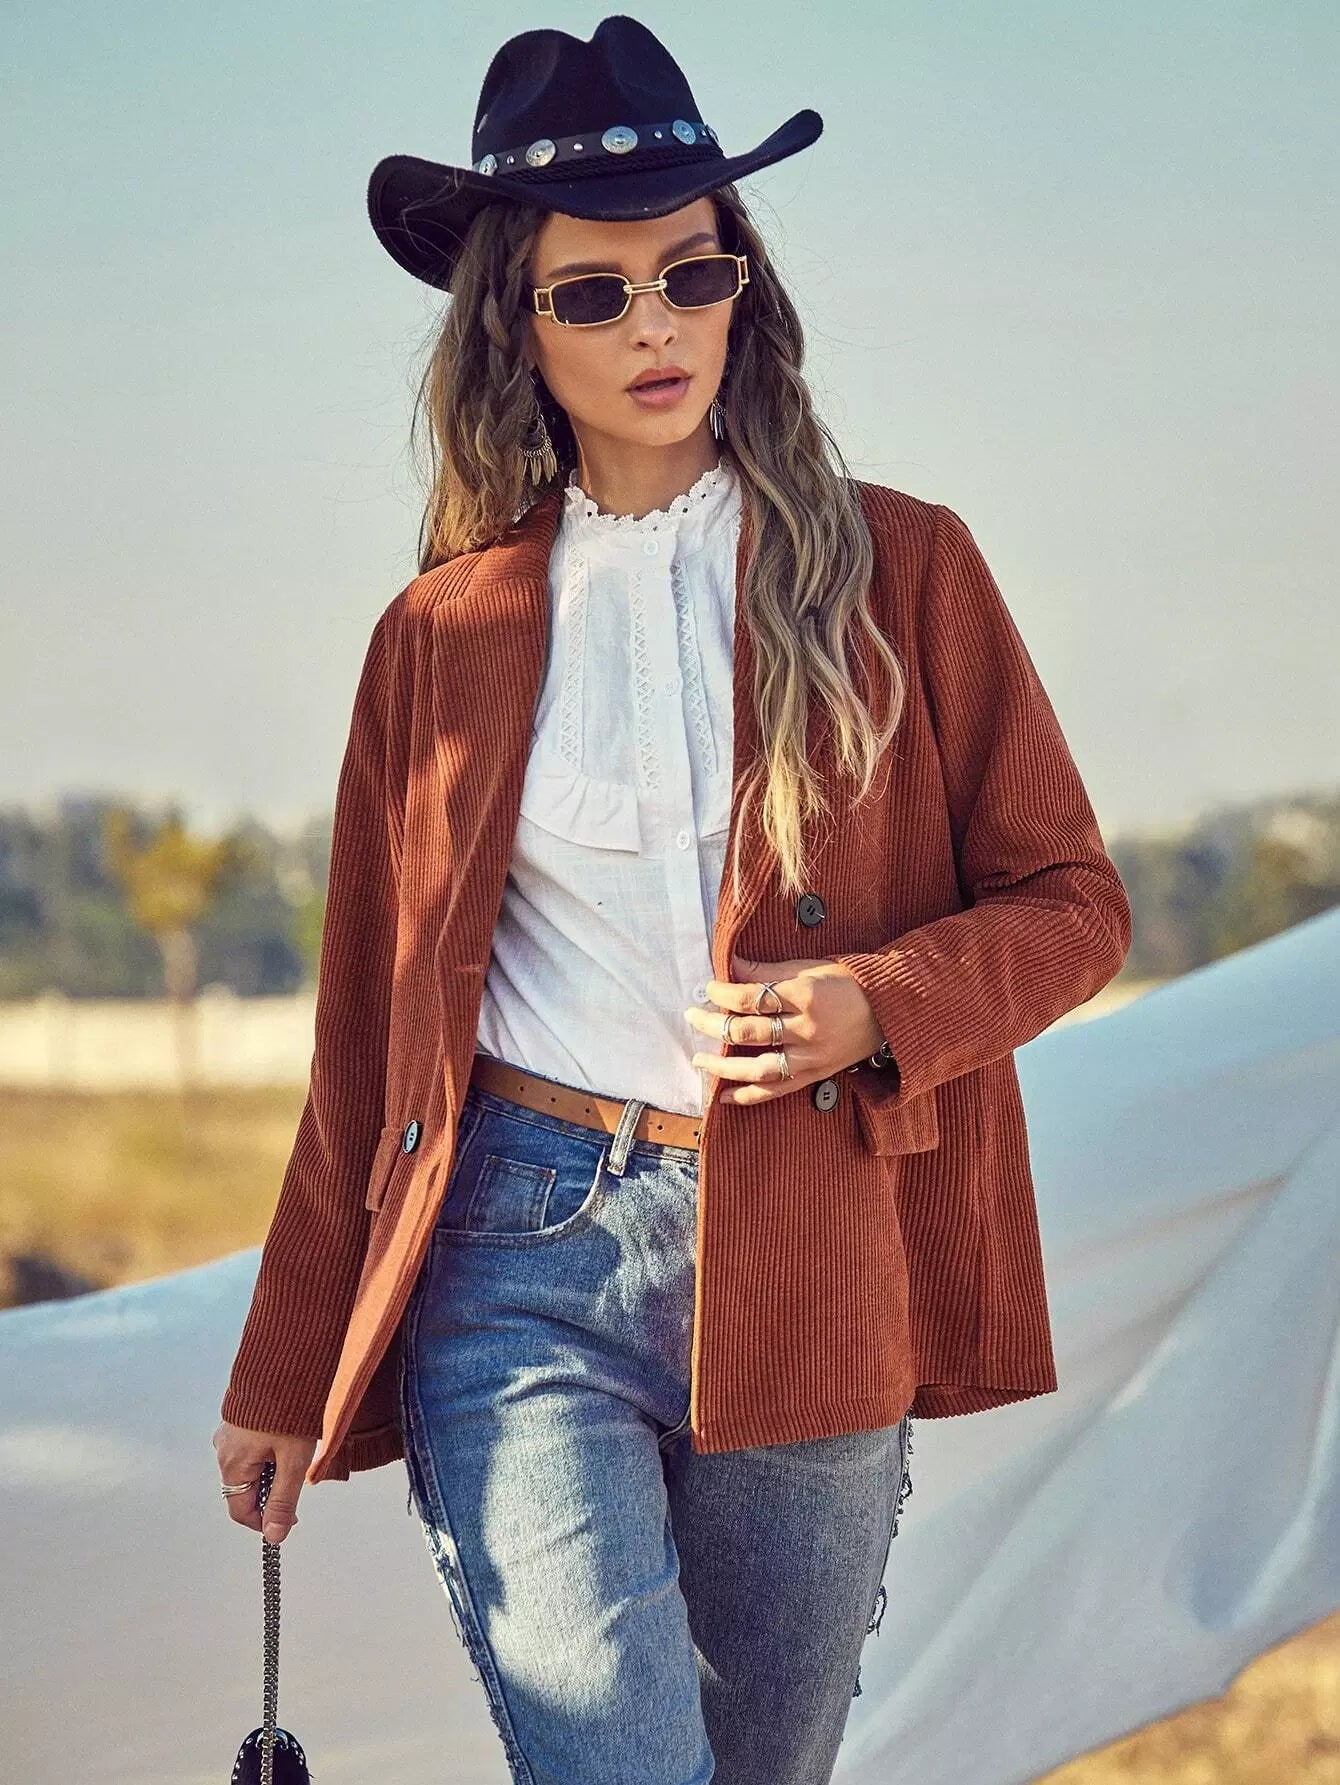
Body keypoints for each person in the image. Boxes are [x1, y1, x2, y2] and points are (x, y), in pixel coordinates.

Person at [214, 16, 1132, 1783]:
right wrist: (282, 1365)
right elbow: (364, 1045)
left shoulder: (907, 566)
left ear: (740, 291)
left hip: (811, 1245)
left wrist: (882, 1004)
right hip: (516, 1253)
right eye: (595, 292)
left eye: (690, 275)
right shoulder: (438, 635)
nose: (654, 326)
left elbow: (1074, 900)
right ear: (515, 325)